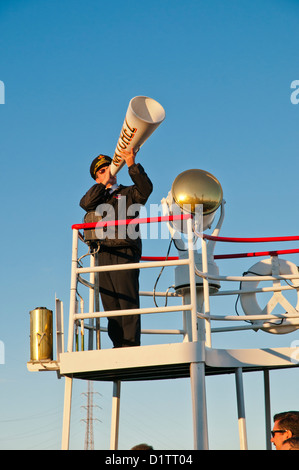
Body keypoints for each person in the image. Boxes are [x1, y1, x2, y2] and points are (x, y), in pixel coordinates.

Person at [80, 148, 153, 348]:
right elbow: (85, 203)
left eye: (109, 167)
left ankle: (130, 345)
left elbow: (146, 189)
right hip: (103, 252)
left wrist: (131, 165)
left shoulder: (129, 192)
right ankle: (118, 345)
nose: (107, 171)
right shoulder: (98, 197)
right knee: (110, 302)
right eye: (101, 171)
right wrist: (103, 185)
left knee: (126, 299)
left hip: (125, 251)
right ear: (96, 179)